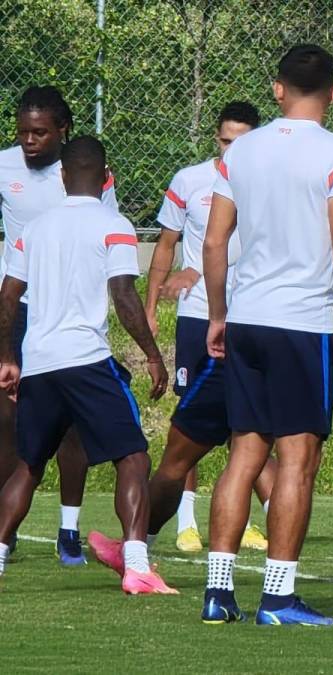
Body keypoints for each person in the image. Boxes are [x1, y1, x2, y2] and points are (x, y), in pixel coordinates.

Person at [199, 44, 333, 626]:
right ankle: (277, 598)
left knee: (243, 457)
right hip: (301, 325)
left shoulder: (241, 151)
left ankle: (217, 592)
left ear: (277, 90)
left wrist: (219, 313)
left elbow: (213, 242)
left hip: (247, 319)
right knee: (297, 461)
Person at [90, 103, 275, 564]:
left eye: (244, 141)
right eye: (228, 141)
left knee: (236, 434)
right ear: (217, 139)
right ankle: (187, 524)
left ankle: (264, 528)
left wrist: (211, 271)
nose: (235, 149)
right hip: (200, 318)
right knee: (199, 432)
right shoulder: (190, 180)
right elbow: (166, 246)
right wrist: (152, 306)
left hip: (245, 319)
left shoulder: (267, 185)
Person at [0, 136, 174, 594]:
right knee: (132, 456)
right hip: (86, 360)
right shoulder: (113, 225)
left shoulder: (33, 230)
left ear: (61, 176)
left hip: (38, 361)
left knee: (29, 466)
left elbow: (8, 296)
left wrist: (7, 356)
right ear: (105, 177)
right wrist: (153, 355)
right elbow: (124, 296)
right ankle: (136, 564)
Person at [0, 86, 118, 564]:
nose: (29, 140)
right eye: (23, 132)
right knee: (9, 421)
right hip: (18, 306)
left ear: (62, 131)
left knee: (71, 428)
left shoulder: (86, 175)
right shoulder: (4, 166)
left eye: (40, 132)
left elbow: (104, 236)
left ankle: (68, 529)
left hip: (69, 310)